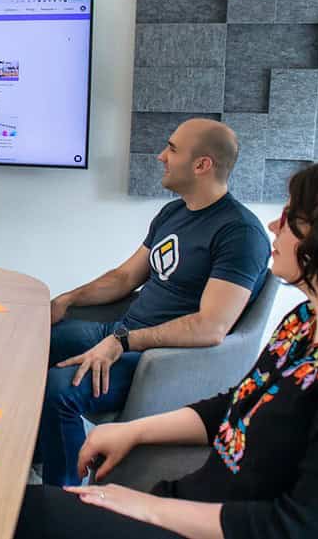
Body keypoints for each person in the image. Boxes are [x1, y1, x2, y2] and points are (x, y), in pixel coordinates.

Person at [15, 160, 318, 539]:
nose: (274, 226)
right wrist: (129, 430)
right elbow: (241, 402)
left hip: (215, 527)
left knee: (22, 515)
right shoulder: (306, 321)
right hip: (195, 502)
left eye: (292, 220)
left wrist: (146, 508)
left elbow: (302, 528)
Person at [39, 119, 270, 487]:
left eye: (172, 149)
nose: (161, 156)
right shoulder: (173, 212)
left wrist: (123, 342)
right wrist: (66, 300)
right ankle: (34, 454)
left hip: (157, 359)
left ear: (202, 165)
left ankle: (63, 493)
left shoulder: (240, 233)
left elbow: (211, 327)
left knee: (58, 390)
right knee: (27, 342)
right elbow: (125, 278)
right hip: (120, 335)